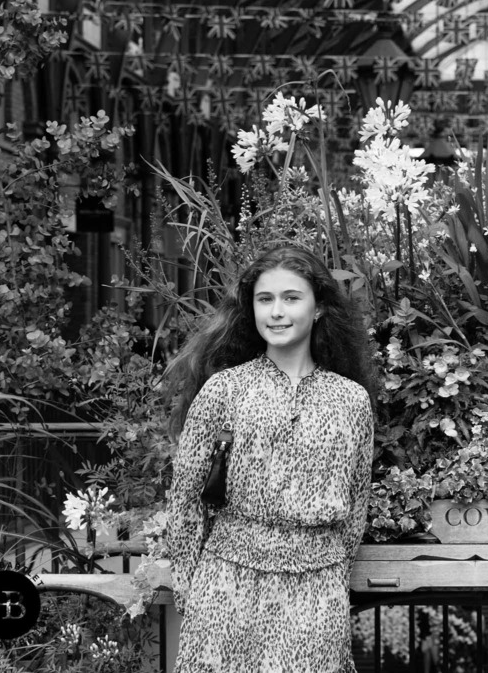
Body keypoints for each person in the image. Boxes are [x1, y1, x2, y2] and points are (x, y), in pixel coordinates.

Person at [165, 244, 377, 673]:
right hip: (226, 585)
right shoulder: (224, 391)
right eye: (265, 299)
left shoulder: (350, 401)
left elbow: (355, 507)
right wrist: (191, 589)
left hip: (316, 588)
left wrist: (331, 576)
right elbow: (185, 498)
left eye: (291, 298)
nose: (276, 311)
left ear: (318, 308)